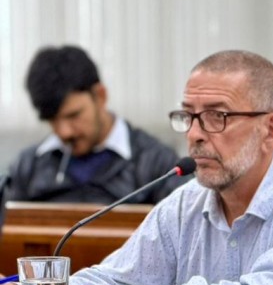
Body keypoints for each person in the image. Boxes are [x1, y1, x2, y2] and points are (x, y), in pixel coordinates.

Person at [0, 50, 273, 285]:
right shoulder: (184, 204)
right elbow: (116, 280)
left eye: (216, 116)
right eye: (188, 116)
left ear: (270, 131)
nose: (194, 133)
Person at [7, 45, 184, 204]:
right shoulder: (28, 166)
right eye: (52, 120)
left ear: (100, 96)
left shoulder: (157, 164)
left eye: (73, 115)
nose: (64, 132)